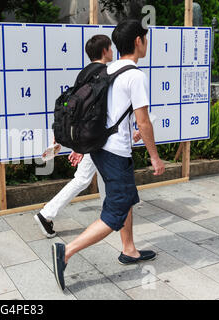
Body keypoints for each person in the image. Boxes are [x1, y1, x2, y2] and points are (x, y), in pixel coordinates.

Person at [51, 19, 165, 291]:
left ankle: (129, 249)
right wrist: (155, 157)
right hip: (115, 151)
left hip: (102, 148)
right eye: (145, 39)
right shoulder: (135, 75)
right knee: (115, 211)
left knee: (125, 198)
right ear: (138, 41)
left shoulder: (108, 69)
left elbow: (103, 111)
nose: (146, 43)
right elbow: (144, 121)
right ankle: (65, 252)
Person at [35, 34, 141, 238]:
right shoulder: (105, 74)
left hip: (94, 138)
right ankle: (46, 214)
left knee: (102, 177)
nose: (113, 51)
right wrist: (81, 146)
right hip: (100, 139)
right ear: (104, 51)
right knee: (84, 178)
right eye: (110, 48)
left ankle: (109, 217)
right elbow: (102, 112)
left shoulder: (85, 73)